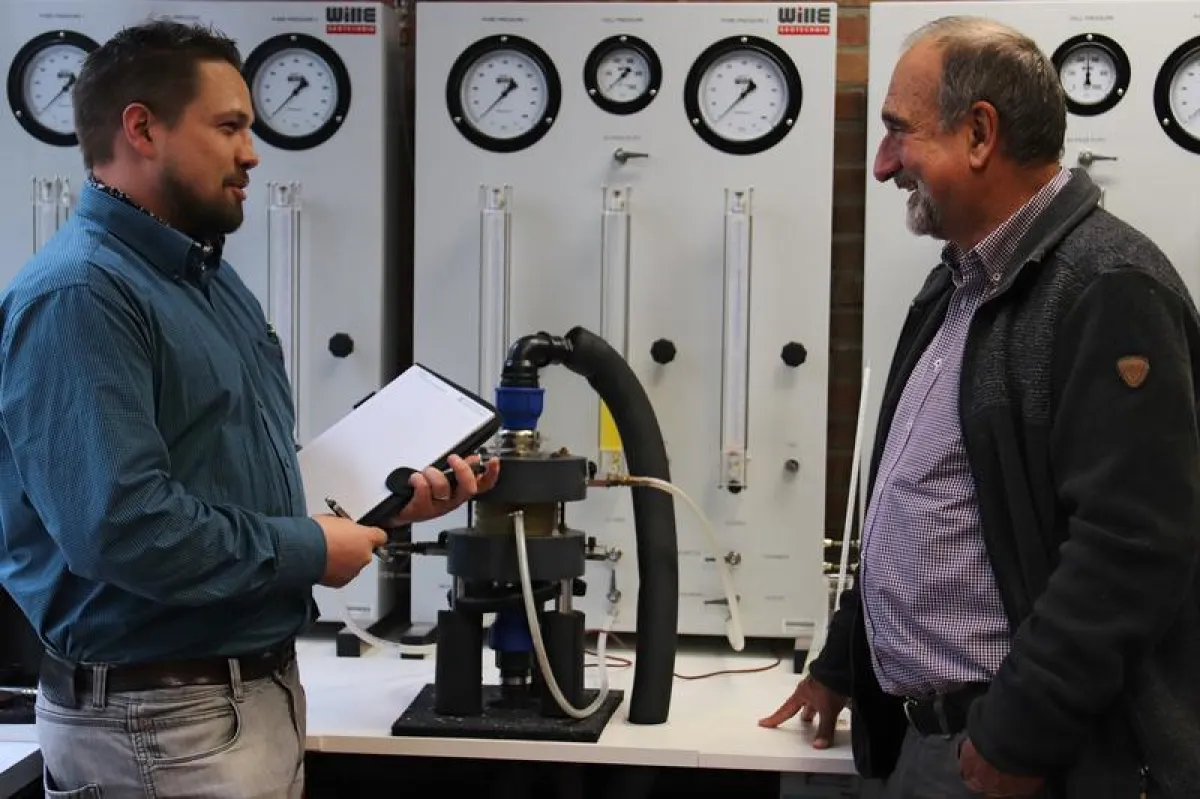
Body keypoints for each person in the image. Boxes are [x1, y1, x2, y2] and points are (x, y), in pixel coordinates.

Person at [0, 19, 500, 798]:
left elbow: (226, 475)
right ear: (142, 129)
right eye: (230, 126)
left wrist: (377, 502)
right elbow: (123, 527)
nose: (252, 153)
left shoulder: (203, 278)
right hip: (160, 719)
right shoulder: (81, 296)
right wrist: (308, 549)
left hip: (241, 696)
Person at [759, 15, 1200, 799]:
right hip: (931, 737)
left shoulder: (1107, 288)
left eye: (899, 132)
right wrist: (841, 662)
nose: (883, 164)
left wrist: (1018, 735)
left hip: (1018, 759)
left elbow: (1132, 546)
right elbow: (922, 504)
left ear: (980, 133)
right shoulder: (958, 286)